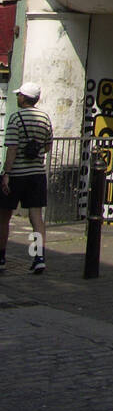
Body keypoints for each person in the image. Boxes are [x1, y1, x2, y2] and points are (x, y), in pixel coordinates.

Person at [0, 82, 54, 274]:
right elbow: (48, 146)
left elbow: (12, 148)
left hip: (17, 174)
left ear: (24, 98)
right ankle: (38, 257)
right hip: (37, 174)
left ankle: (1, 257)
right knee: (36, 216)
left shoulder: (15, 118)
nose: (17, 97)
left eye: (19, 95)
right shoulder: (45, 118)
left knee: (4, 216)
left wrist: (7, 173)